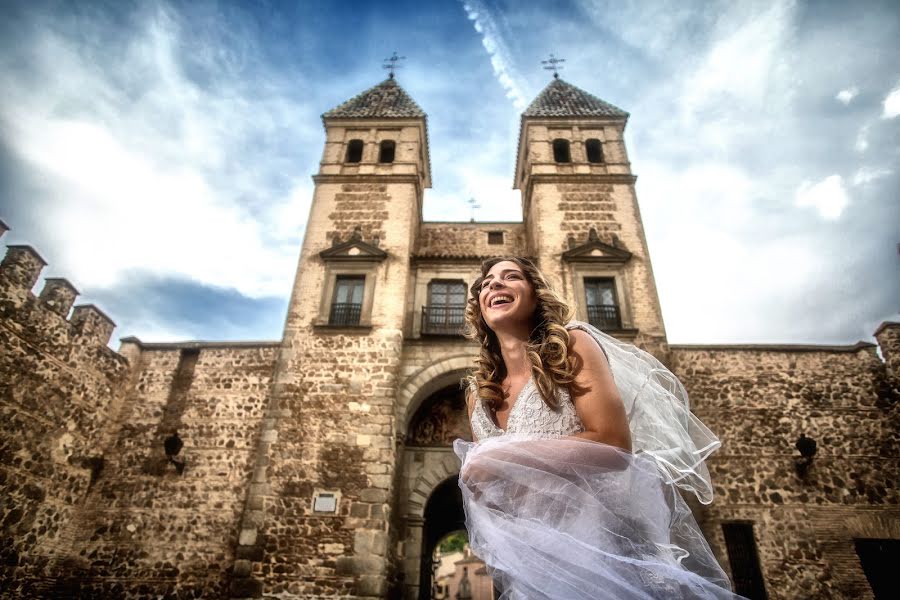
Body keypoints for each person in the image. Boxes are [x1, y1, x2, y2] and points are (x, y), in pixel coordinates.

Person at [454, 257, 743, 600]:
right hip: (534, 564)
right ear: (480, 309)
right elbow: (495, 493)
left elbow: (614, 444)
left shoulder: (572, 346)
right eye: (486, 283)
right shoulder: (479, 394)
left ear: (536, 295)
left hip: (603, 546)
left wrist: (499, 456)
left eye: (511, 277)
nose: (494, 285)